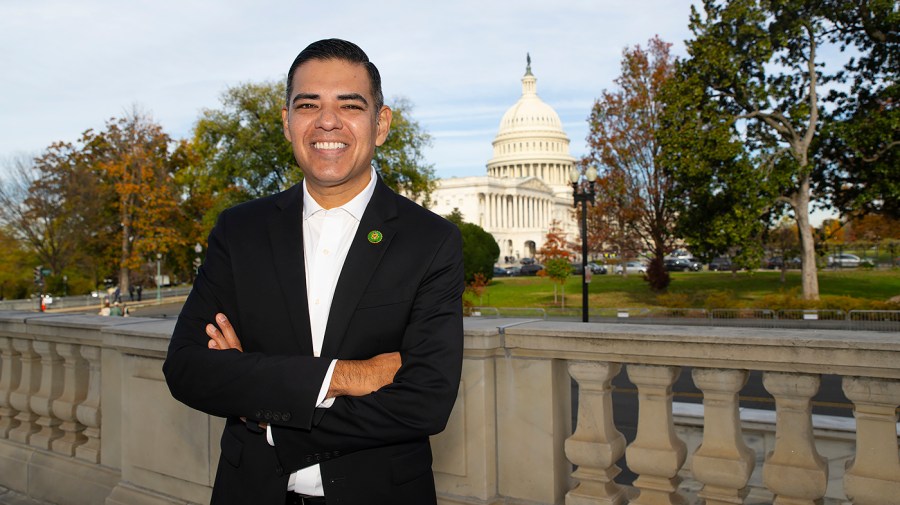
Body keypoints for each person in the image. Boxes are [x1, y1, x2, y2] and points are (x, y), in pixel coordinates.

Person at [163, 38, 464, 505]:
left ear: (380, 124)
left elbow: (425, 403)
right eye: (308, 105)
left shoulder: (430, 241)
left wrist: (266, 414)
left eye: (349, 105)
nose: (327, 121)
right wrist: (344, 376)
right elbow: (187, 368)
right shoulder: (239, 231)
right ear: (287, 123)